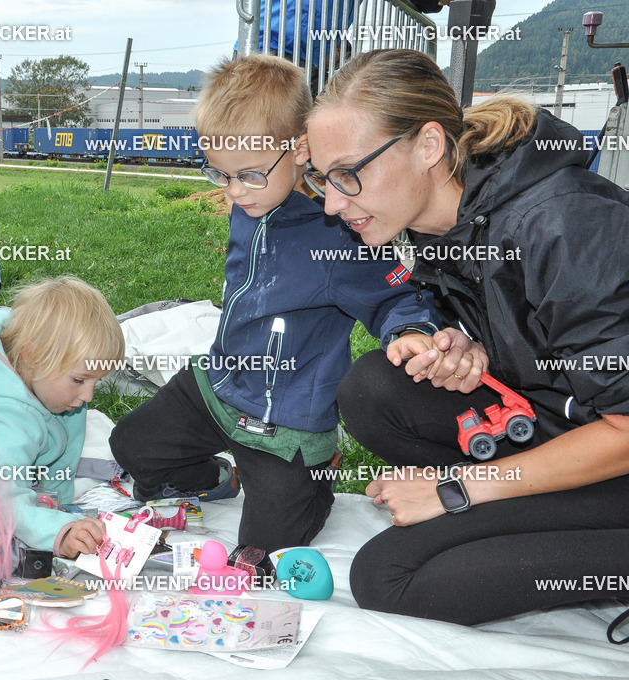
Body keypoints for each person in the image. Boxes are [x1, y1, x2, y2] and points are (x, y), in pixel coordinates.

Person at [305, 48, 629, 625]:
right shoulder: (442, 223)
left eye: (349, 174)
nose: (333, 204)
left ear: (429, 146)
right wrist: (470, 346)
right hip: (575, 427)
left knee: (389, 578)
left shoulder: (565, 224)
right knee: (373, 388)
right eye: (322, 179)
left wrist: (459, 487)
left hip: (617, 447)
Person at [109, 54, 439, 554]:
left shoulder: (339, 232)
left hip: (286, 422)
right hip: (219, 384)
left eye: (249, 175)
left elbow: (396, 292)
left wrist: (408, 331)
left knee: (262, 550)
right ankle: (218, 474)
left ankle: (316, 483)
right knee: (129, 445)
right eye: (220, 175)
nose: (235, 192)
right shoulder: (253, 203)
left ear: (301, 150)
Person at [0, 277, 125, 558]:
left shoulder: (57, 387)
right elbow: (0, 495)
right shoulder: (6, 418)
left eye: (96, 381)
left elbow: (66, 445)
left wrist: (58, 504)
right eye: (79, 380)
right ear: (32, 356)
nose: (89, 395)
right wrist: (59, 531)